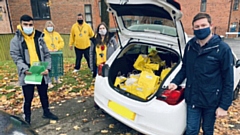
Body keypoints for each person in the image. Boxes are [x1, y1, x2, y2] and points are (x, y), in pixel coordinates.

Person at [168, 12, 234, 135]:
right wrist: (175, 82)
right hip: (193, 98)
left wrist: (224, 106)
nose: (200, 29)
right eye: (197, 27)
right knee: (191, 130)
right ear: (193, 28)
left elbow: (228, 80)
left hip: (211, 100)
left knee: (208, 130)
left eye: (203, 25)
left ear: (211, 25)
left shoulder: (222, 49)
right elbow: (185, 68)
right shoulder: (190, 46)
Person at [10, 15, 58, 125]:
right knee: (28, 97)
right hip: (28, 72)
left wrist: (48, 68)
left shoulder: (39, 37)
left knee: (44, 94)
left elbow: (47, 54)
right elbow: (16, 57)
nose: (28, 27)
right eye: (25, 25)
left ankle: (46, 112)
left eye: (30, 25)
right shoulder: (16, 40)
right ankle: (27, 118)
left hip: (40, 70)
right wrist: (25, 69)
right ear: (21, 25)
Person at [43, 21, 64, 87]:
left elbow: (61, 42)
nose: (50, 27)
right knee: (48, 67)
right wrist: (47, 49)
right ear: (46, 27)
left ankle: (56, 79)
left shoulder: (56, 34)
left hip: (55, 53)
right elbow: (41, 44)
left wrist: (57, 48)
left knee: (56, 66)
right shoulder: (43, 35)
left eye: (51, 26)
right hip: (47, 54)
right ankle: (49, 82)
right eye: (48, 26)